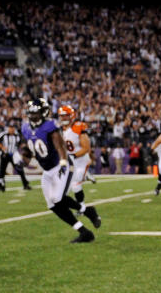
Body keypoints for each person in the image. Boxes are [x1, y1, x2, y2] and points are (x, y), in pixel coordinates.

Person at [22, 98, 101, 243]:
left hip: (60, 165)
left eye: (37, 113)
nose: (34, 117)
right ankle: (85, 227)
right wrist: (23, 158)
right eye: (31, 113)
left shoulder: (50, 126)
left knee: (58, 199)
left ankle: (87, 217)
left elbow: (60, 146)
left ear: (44, 113)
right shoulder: (26, 128)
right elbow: (31, 148)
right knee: (52, 205)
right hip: (47, 170)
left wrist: (64, 162)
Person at [58, 105, 95, 205]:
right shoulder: (61, 129)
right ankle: (85, 175)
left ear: (71, 115)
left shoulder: (78, 127)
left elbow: (86, 148)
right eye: (61, 116)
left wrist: (73, 156)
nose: (63, 118)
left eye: (66, 115)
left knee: (75, 185)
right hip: (71, 162)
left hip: (82, 161)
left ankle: (82, 207)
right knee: (63, 186)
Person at [0, 122, 31, 190]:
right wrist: (2, 147)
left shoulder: (17, 135)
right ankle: (0, 186)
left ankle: (25, 185)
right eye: (10, 128)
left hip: (14, 155)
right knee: (2, 171)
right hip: (5, 155)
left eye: (13, 128)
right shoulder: (4, 134)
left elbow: (20, 143)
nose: (11, 129)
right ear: (8, 128)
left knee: (20, 170)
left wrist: (22, 149)